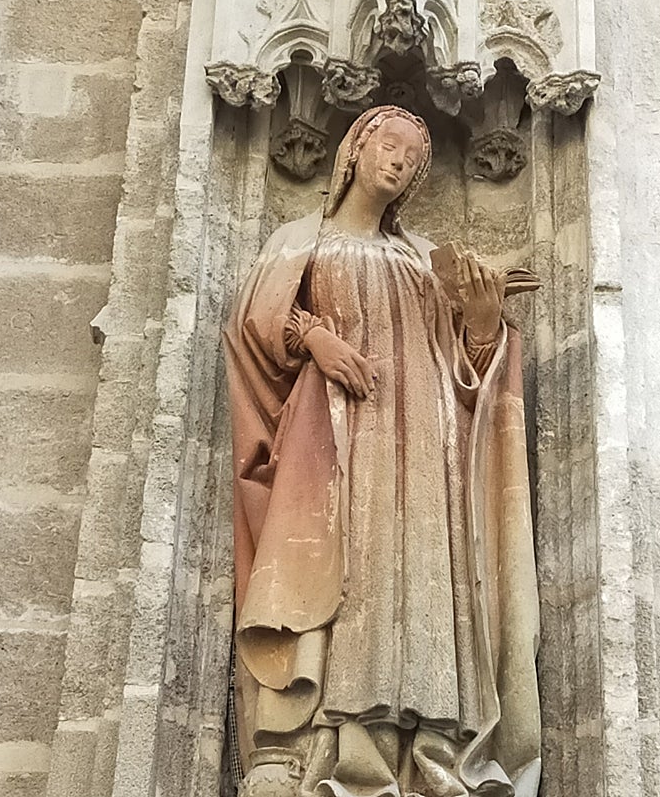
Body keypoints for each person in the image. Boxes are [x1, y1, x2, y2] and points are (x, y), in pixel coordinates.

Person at [223, 106, 540, 797]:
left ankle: (427, 748)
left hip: (426, 446)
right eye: (388, 145)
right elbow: (253, 324)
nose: (398, 161)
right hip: (335, 437)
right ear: (354, 149)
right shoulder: (300, 239)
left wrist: (484, 321)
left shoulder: (423, 260)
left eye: (412, 158)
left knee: (422, 574)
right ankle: (321, 749)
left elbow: (468, 371)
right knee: (344, 572)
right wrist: (314, 338)